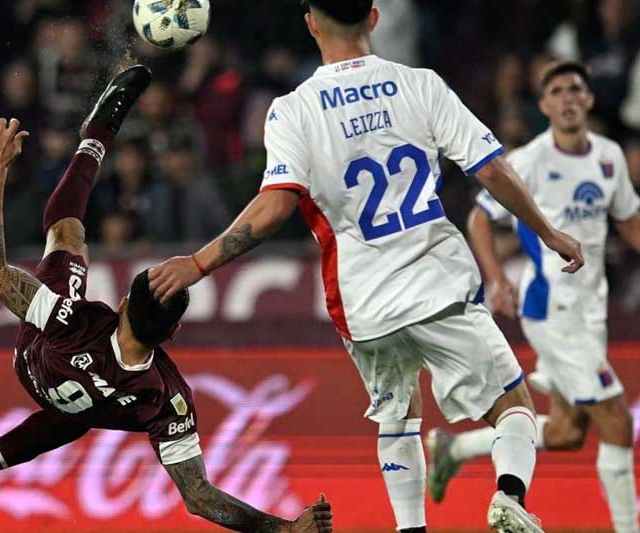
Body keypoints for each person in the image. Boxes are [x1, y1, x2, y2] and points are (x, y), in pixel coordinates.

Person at [148, 2, 584, 532]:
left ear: (311, 23)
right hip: (435, 284)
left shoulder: (293, 109)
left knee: (397, 415)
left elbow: (275, 207)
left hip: (363, 304)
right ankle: (509, 495)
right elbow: (490, 169)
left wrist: (198, 262)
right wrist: (547, 231)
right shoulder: (419, 85)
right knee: (511, 404)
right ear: (373, 18)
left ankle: (409, 529)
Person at [0, 65, 333, 533]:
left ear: (123, 302)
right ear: (174, 333)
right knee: (82, 412)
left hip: (38, 356)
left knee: (66, 233)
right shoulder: (165, 396)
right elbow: (200, 498)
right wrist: (283, 529)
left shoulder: (74, 317)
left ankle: (97, 135)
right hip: (86, 402)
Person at [427, 61, 640, 533]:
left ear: (589, 99)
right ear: (544, 106)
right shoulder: (530, 160)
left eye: (576, 89)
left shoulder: (608, 157)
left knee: (567, 433)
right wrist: (496, 278)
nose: (567, 97)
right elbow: (479, 218)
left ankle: (453, 448)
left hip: (590, 311)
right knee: (617, 420)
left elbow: (629, 214)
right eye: (556, 91)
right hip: (553, 310)